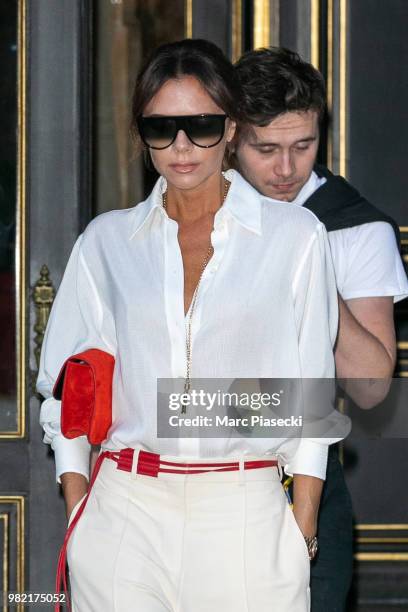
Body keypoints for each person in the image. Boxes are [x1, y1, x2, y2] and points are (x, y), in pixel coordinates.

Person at [37, 39, 347, 612]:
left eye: (201, 125)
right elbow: (65, 389)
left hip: (246, 510)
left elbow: (311, 394)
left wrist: (301, 523)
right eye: (161, 128)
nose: (181, 146)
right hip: (125, 510)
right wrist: (80, 509)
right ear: (141, 134)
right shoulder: (106, 242)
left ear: (230, 128)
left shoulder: (294, 237)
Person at [233, 46, 408, 612]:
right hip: (188, 462)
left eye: (302, 146)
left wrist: (309, 269)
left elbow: (373, 387)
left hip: (306, 472)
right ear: (231, 137)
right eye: (267, 149)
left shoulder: (353, 228)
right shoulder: (187, 215)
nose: (287, 169)